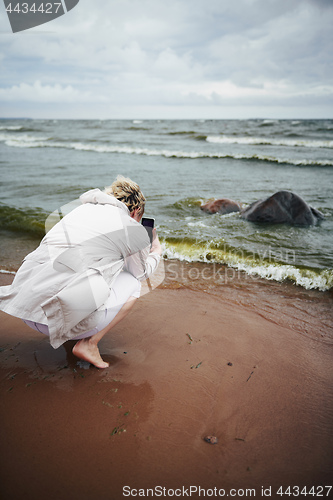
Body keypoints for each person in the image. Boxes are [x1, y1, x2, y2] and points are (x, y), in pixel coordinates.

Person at [0, 175, 162, 369]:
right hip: (52, 322)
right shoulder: (130, 226)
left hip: (24, 308)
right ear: (136, 211)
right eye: (139, 217)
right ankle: (88, 344)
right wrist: (156, 251)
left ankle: (73, 331)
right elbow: (140, 273)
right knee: (133, 284)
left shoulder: (80, 210)